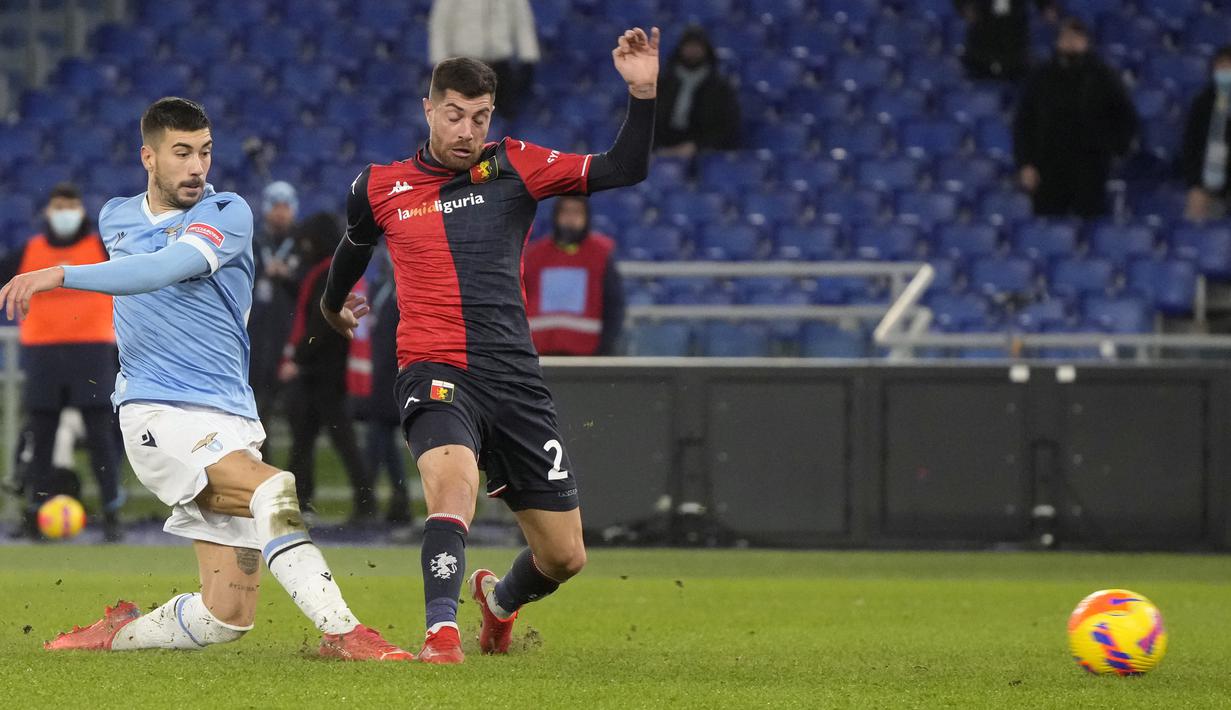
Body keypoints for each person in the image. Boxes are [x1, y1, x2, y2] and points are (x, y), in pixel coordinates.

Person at [0, 97, 410, 660]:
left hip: (231, 414)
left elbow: (166, 267)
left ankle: (114, 634)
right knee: (273, 488)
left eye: (206, 152)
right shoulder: (116, 216)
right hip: (156, 410)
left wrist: (60, 273)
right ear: (149, 157)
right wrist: (64, 272)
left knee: (226, 617)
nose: (198, 166)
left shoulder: (228, 212)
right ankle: (344, 632)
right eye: (182, 153)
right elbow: (141, 271)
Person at [319, 28, 659, 663]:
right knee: (453, 491)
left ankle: (498, 603)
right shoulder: (379, 186)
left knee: (564, 556)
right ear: (429, 109)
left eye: (479, 117)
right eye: (454, 114)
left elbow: (624, 168)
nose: (466, 130)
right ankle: (439, 633)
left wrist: (642, 92)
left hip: (514, 379)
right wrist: (331, 303)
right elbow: (353, 246)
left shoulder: (516, 165)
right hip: (433, 365)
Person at [0, 182, 124, 542]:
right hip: (44, 354)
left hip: (93, 352)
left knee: (101, 438)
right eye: (59, 206)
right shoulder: (30, 251)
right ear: (48, 212)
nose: (65, 212)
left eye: (71, 205)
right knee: (41, 438)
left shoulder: (100, 248)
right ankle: (35, 514)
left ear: (81, 210)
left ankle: (112, 515)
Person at [279, 211, 376, 523]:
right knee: (314, 441)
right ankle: (352, 503)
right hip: (325, 372)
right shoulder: (327, 271)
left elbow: (321, 325)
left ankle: (358, 504)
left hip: (323, 373)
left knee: (326, 440)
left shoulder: (325, 274)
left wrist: (298, 359)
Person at [1013, 17, 1138, 218]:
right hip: (1048, 168)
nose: (1071, 42)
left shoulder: (1103, 77)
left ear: (1086, 41)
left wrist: (1112, 148)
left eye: (1076, 37)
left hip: (1090, 168)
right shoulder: (1041, 77)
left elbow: (1126, 118)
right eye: (1066, 36)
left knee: (1089, 222)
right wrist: (1026, 164)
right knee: (1049, 227)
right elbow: (1024, 124)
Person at [523, 196, 625, 355]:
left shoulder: (601, 254)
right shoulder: (534, 255)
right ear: (556, 216)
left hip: (588, 355)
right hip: (539, 352)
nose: (570, 218)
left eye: (577, 213)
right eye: (565, 212)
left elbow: (614, 306)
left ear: (587, 217)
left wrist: (605, 348)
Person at [359, 247, 414, 527]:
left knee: (378, 439)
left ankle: (369, 501)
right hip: (382, 373)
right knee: (384, 441)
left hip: (395, 373)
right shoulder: (382, 287)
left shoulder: (406, 289)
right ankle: (397, 500)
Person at [248, 181, 301, 458]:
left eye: (286, 207)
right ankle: (262, 470)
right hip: (259, 338)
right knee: (260, 414)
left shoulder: (303, 244)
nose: (281, 213)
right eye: (276, 207)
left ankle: (299, 481)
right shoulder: (254, 244)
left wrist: (289, 276)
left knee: (298, 416)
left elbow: (309, 288)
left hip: (291, 338)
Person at [429, 0, 539, 118]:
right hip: (465, 67)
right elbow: (440, 24)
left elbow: (522, 21)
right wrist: (440, 63)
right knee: (464, 118)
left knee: (508, 114)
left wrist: (528, 57)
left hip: (499, 65)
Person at [653, 25, 739, 158]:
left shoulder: (719, 87)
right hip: (660, 147)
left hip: (701, 151)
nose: (692, 51)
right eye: (689, 46)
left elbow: (726, 127)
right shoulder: (664, 82)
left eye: (697, 46)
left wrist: (698, 147)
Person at [1181, 46, 1231, 222]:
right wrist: (1196, 184)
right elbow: (1191, 146)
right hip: (1209, 184)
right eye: (1221, 67)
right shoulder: (1203, 103)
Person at [955, 0, 1058, 81]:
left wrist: (1046, 7)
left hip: (1015, 49)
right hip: (980, 49)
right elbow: (964, 6)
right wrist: (965, 7)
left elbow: (1047, 9)